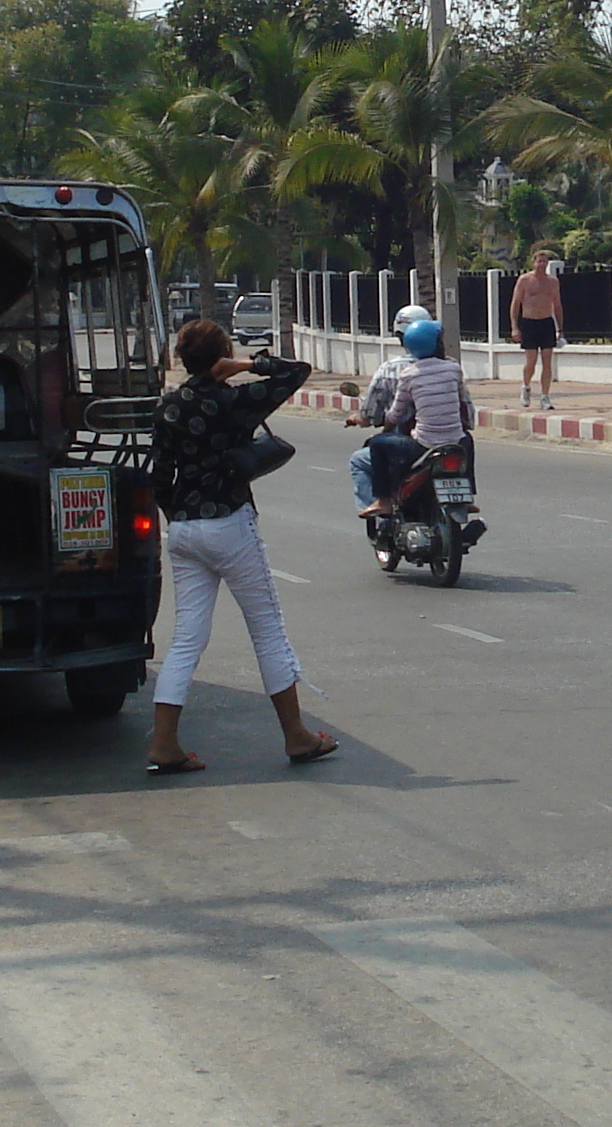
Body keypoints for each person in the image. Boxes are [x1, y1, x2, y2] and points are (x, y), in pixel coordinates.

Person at [143, 317, 331, 777]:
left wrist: (178, 516)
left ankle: (164, 743)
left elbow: (159, 477)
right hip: (229, 521)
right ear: (221, 356)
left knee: (187, 637)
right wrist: (247, 363)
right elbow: (296, 371)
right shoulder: (234, 401)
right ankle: (296, 736)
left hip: (184, 530)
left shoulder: (168, 406)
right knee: (267, 629)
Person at [358, 316, 477, 537]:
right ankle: (466, 494)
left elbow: (395, 413)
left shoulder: (409, 375)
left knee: (377, 444)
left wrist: (385, 428)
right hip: (455, 440)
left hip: (424, 444)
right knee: (467, 439)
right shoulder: (453, 368)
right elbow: (463, 402)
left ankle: (383, 500)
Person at [345, 304, 433, 520]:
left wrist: (360, 418)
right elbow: (467, 413)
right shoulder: (449, 366)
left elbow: (379, 414)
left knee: (361, 457)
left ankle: (381, 513)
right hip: (446, 442)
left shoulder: (394, 370)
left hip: (408, 443)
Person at [508, 248, 563, 409]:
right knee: (531, 360)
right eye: (539, 261)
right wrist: (514, 327)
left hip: (546, 322)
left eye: (544, 261)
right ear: (533, 262)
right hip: (529, 322)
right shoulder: (525, 280)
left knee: (547, 360)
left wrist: (560, 328)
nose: (542, 264)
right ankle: (526, 387)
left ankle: (545, 396)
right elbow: (515, 303)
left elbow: (557, 304)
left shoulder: (553, 282)